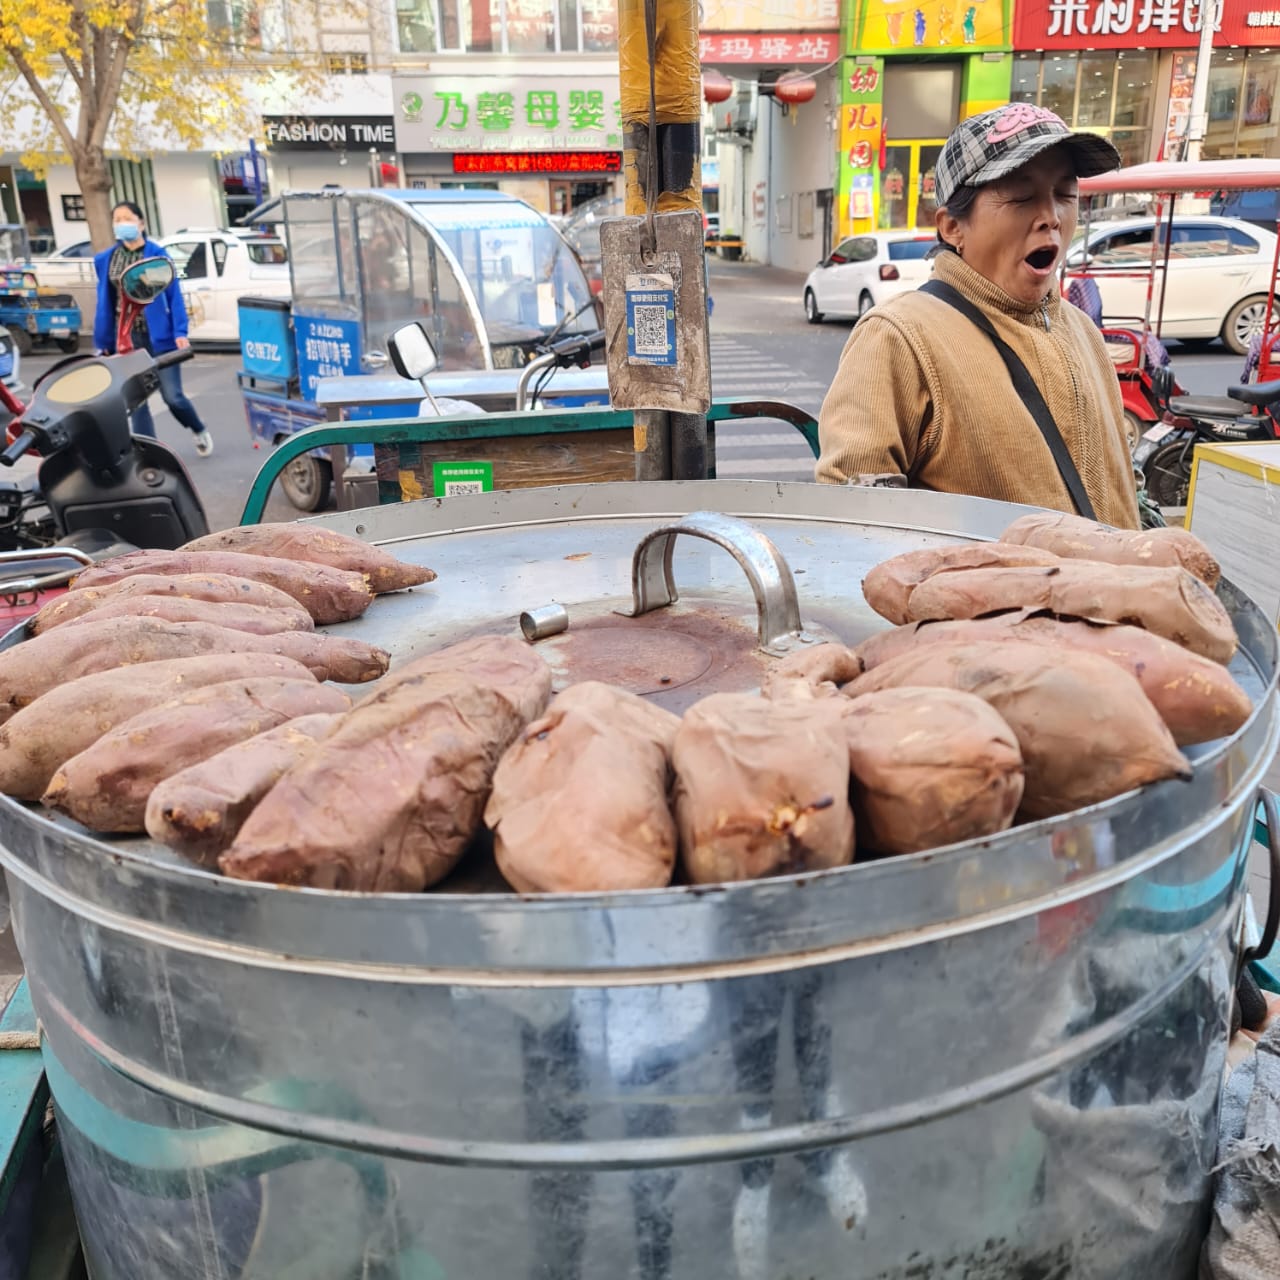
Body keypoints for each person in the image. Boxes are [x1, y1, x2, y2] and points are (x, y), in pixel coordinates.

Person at [816, 104, 1140, 529]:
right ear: (953, 228)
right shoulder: (899, 338)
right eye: (1021, 197)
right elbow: (851, 524)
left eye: (1065, 195)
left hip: (1120, 591)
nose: (1051, 218)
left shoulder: (1081, 330)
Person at [93, 201, 213, 456]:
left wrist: (180, 332)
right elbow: (104, 301)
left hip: (159, 336)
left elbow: (174, 296)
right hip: (126, 338)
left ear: (141, 223)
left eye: (127, 218)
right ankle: (150, 454)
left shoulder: (158, 255)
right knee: (136, 402)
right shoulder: (105, 260)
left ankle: (197, 427)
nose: (122, 224)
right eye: (117, 219)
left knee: (172, 396)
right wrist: (103, 341)